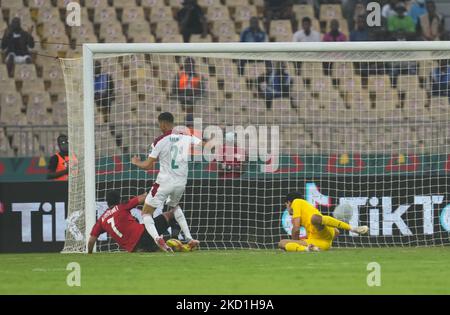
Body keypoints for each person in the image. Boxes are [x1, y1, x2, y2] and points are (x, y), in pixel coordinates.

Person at [131, 112, 203, 252]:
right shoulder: (185, 136)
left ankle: (157, 239)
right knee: (174, 206)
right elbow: (204, 145)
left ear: (163, 123)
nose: (160, 126)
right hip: (181, 182)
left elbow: (148, 166)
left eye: (159, 124)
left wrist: (136, 162)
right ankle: (189, 238)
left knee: (146, 213)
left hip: (164, 182)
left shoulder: (159, 141)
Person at [88, 191, 193, 253]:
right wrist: (153, 193)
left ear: (107, 202)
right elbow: (141, 199)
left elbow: (92, 239)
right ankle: (175, 238)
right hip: (144, 235)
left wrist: (89, 253)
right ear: (119, 199)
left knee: (153, 246)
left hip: (134, 248)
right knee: (172, 213)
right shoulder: (121, 207)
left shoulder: (101, 219)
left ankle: (160, 246)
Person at [278, 192, 369, 252]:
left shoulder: (296, 202)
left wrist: (295, 243)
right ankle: (309, 249)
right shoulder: (307, 211)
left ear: (289, 202)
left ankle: (353, 228)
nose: (286, 208)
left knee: (314, 219)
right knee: (281, 243)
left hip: (320, 236)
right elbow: (336, 232)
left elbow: (296, 229)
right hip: (322, 243)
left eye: (285, 205)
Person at [171, 57, 205, 125]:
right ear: (185, 65)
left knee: (200, 103)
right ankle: (182, 120)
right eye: (187, 65)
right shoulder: (179, 75)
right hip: (181, 97)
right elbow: (174, 89)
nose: (189, 67)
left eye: (191, 65)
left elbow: (202, 90)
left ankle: (192, 122)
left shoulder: (198, 76)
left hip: (194, 97)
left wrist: (192, 93)